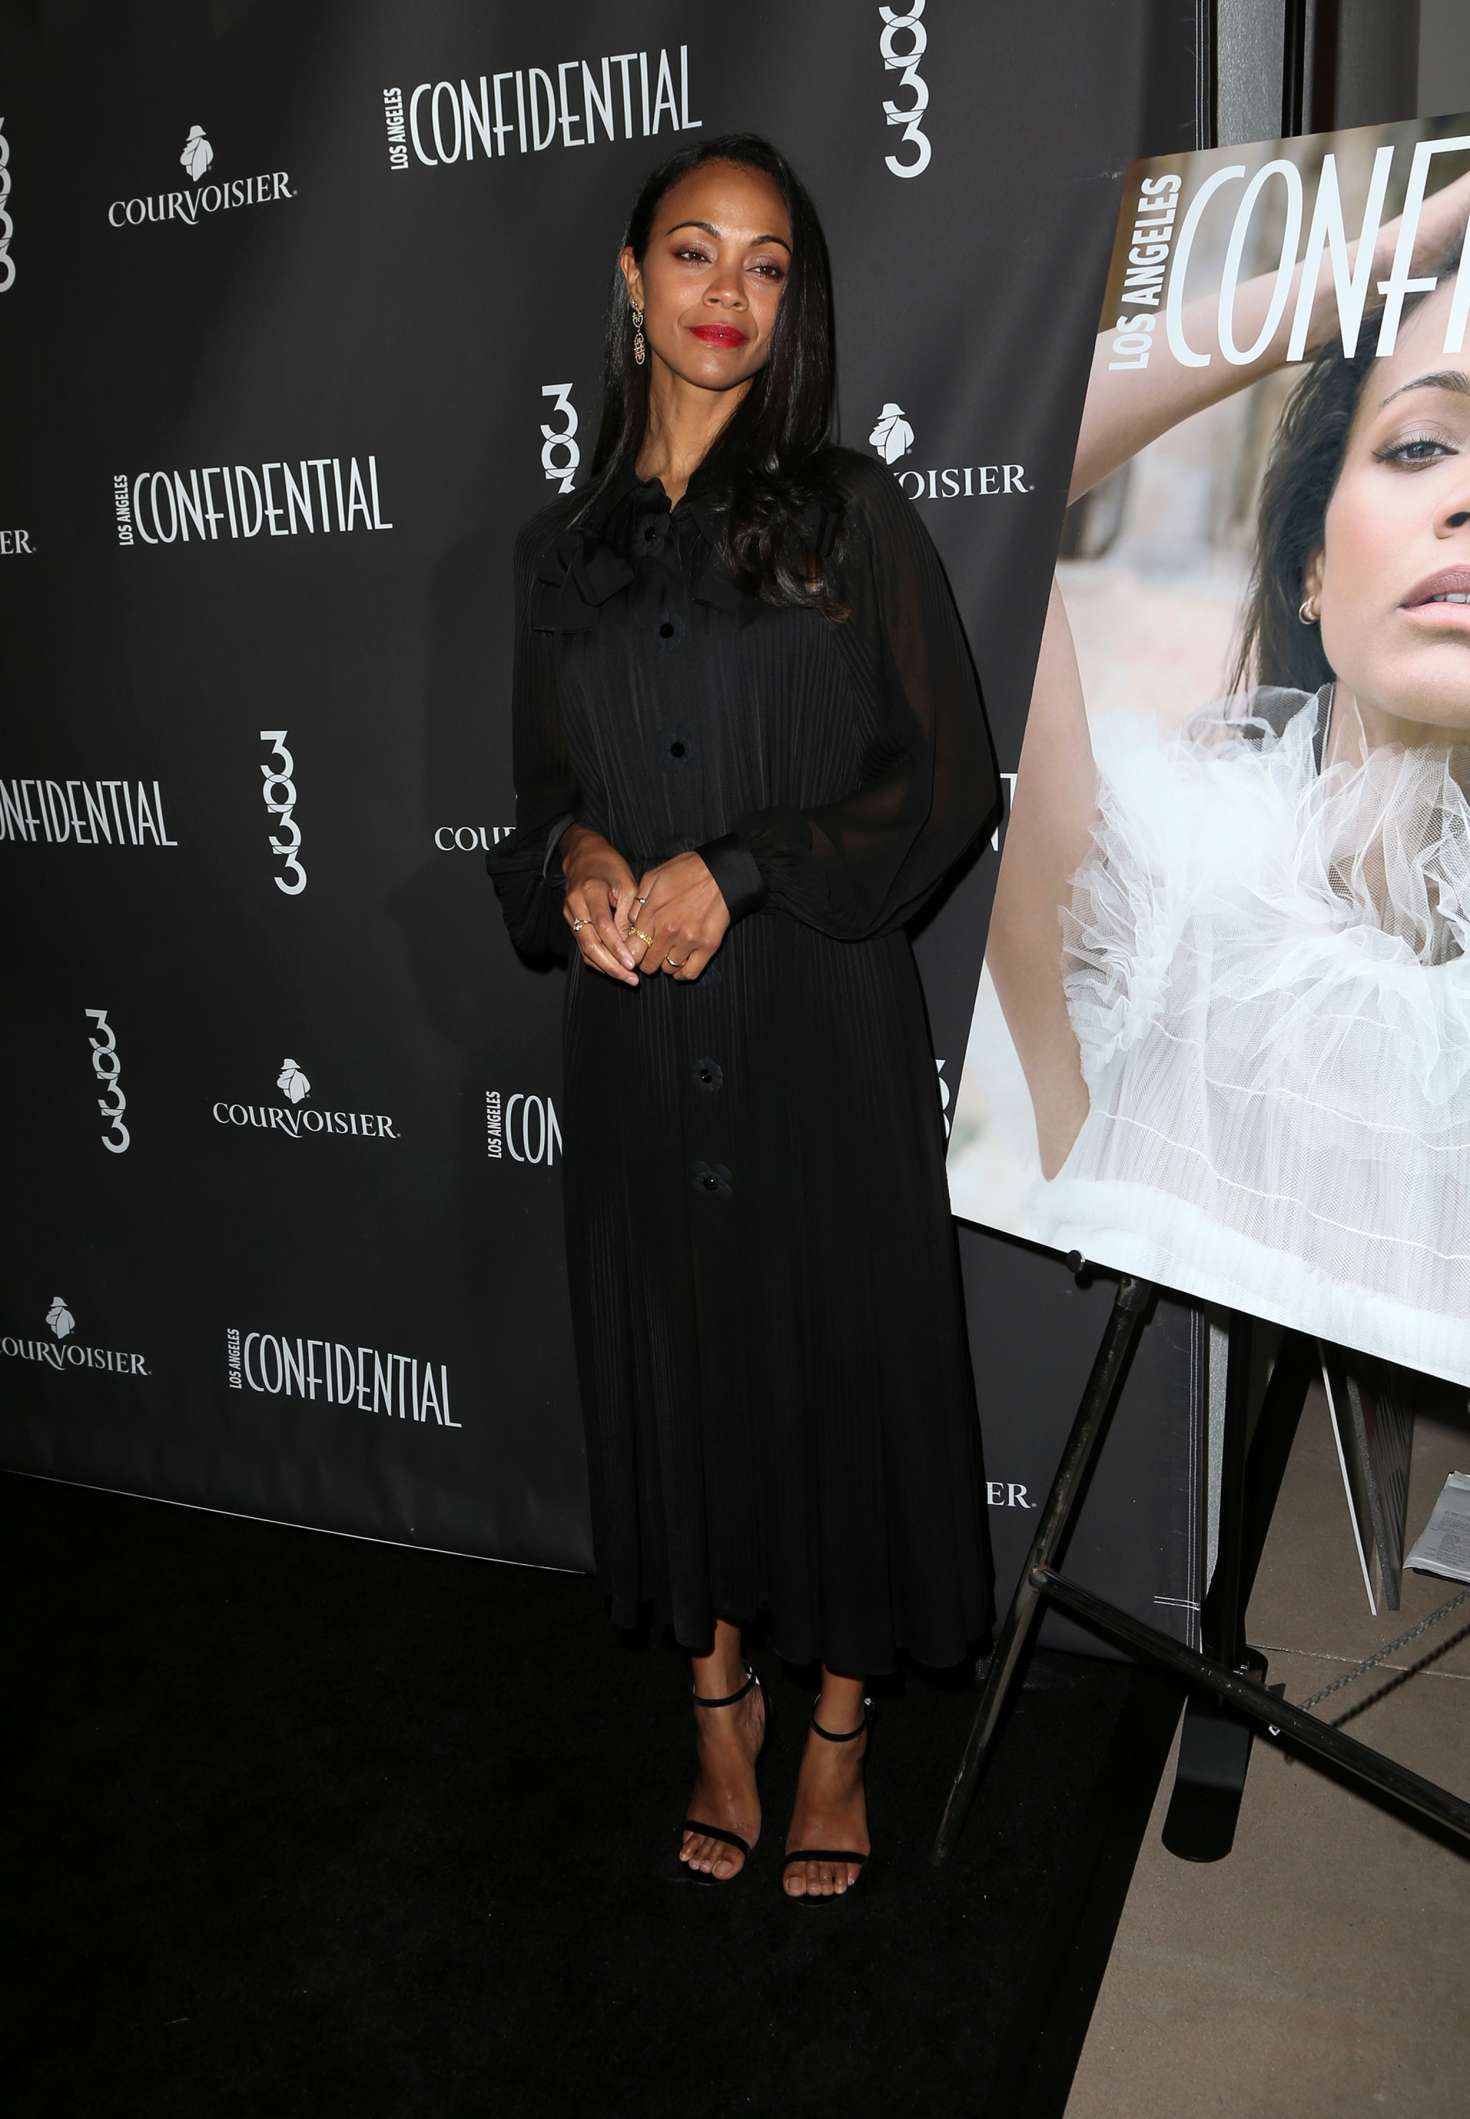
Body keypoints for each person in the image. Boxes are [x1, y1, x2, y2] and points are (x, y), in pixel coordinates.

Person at [486, 133, 999, 1899]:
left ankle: (838, 1729)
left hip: (818, 1028)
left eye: (766, 263)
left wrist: (748, 865)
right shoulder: (558, 556)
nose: (728, 292)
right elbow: (541, 804)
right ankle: (719, 1712)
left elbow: (944, 778)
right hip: (639, 1050)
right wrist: (579, 863)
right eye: (694, 252)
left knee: (841, 1370)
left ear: (796, 302)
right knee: (678, 1369)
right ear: (631, 281)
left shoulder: (849, 514)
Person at [988, 167, 1470, 1385]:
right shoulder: (1142, 911)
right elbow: (979, 472)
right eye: (1421, 445)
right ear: (1310, 568)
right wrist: (1360, 275)